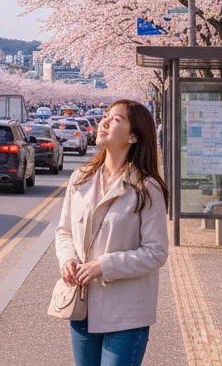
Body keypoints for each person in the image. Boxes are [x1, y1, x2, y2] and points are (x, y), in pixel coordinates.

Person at [55, 99, 169, 366]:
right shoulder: (80, 178)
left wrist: (103, 266)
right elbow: (64, 231)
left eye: (116, 119)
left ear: (133, 136)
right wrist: (67, 260)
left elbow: (156, 252)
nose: (104, 122)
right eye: (105, 116)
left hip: (127, 314)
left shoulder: (146, 187)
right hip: (82, 307)